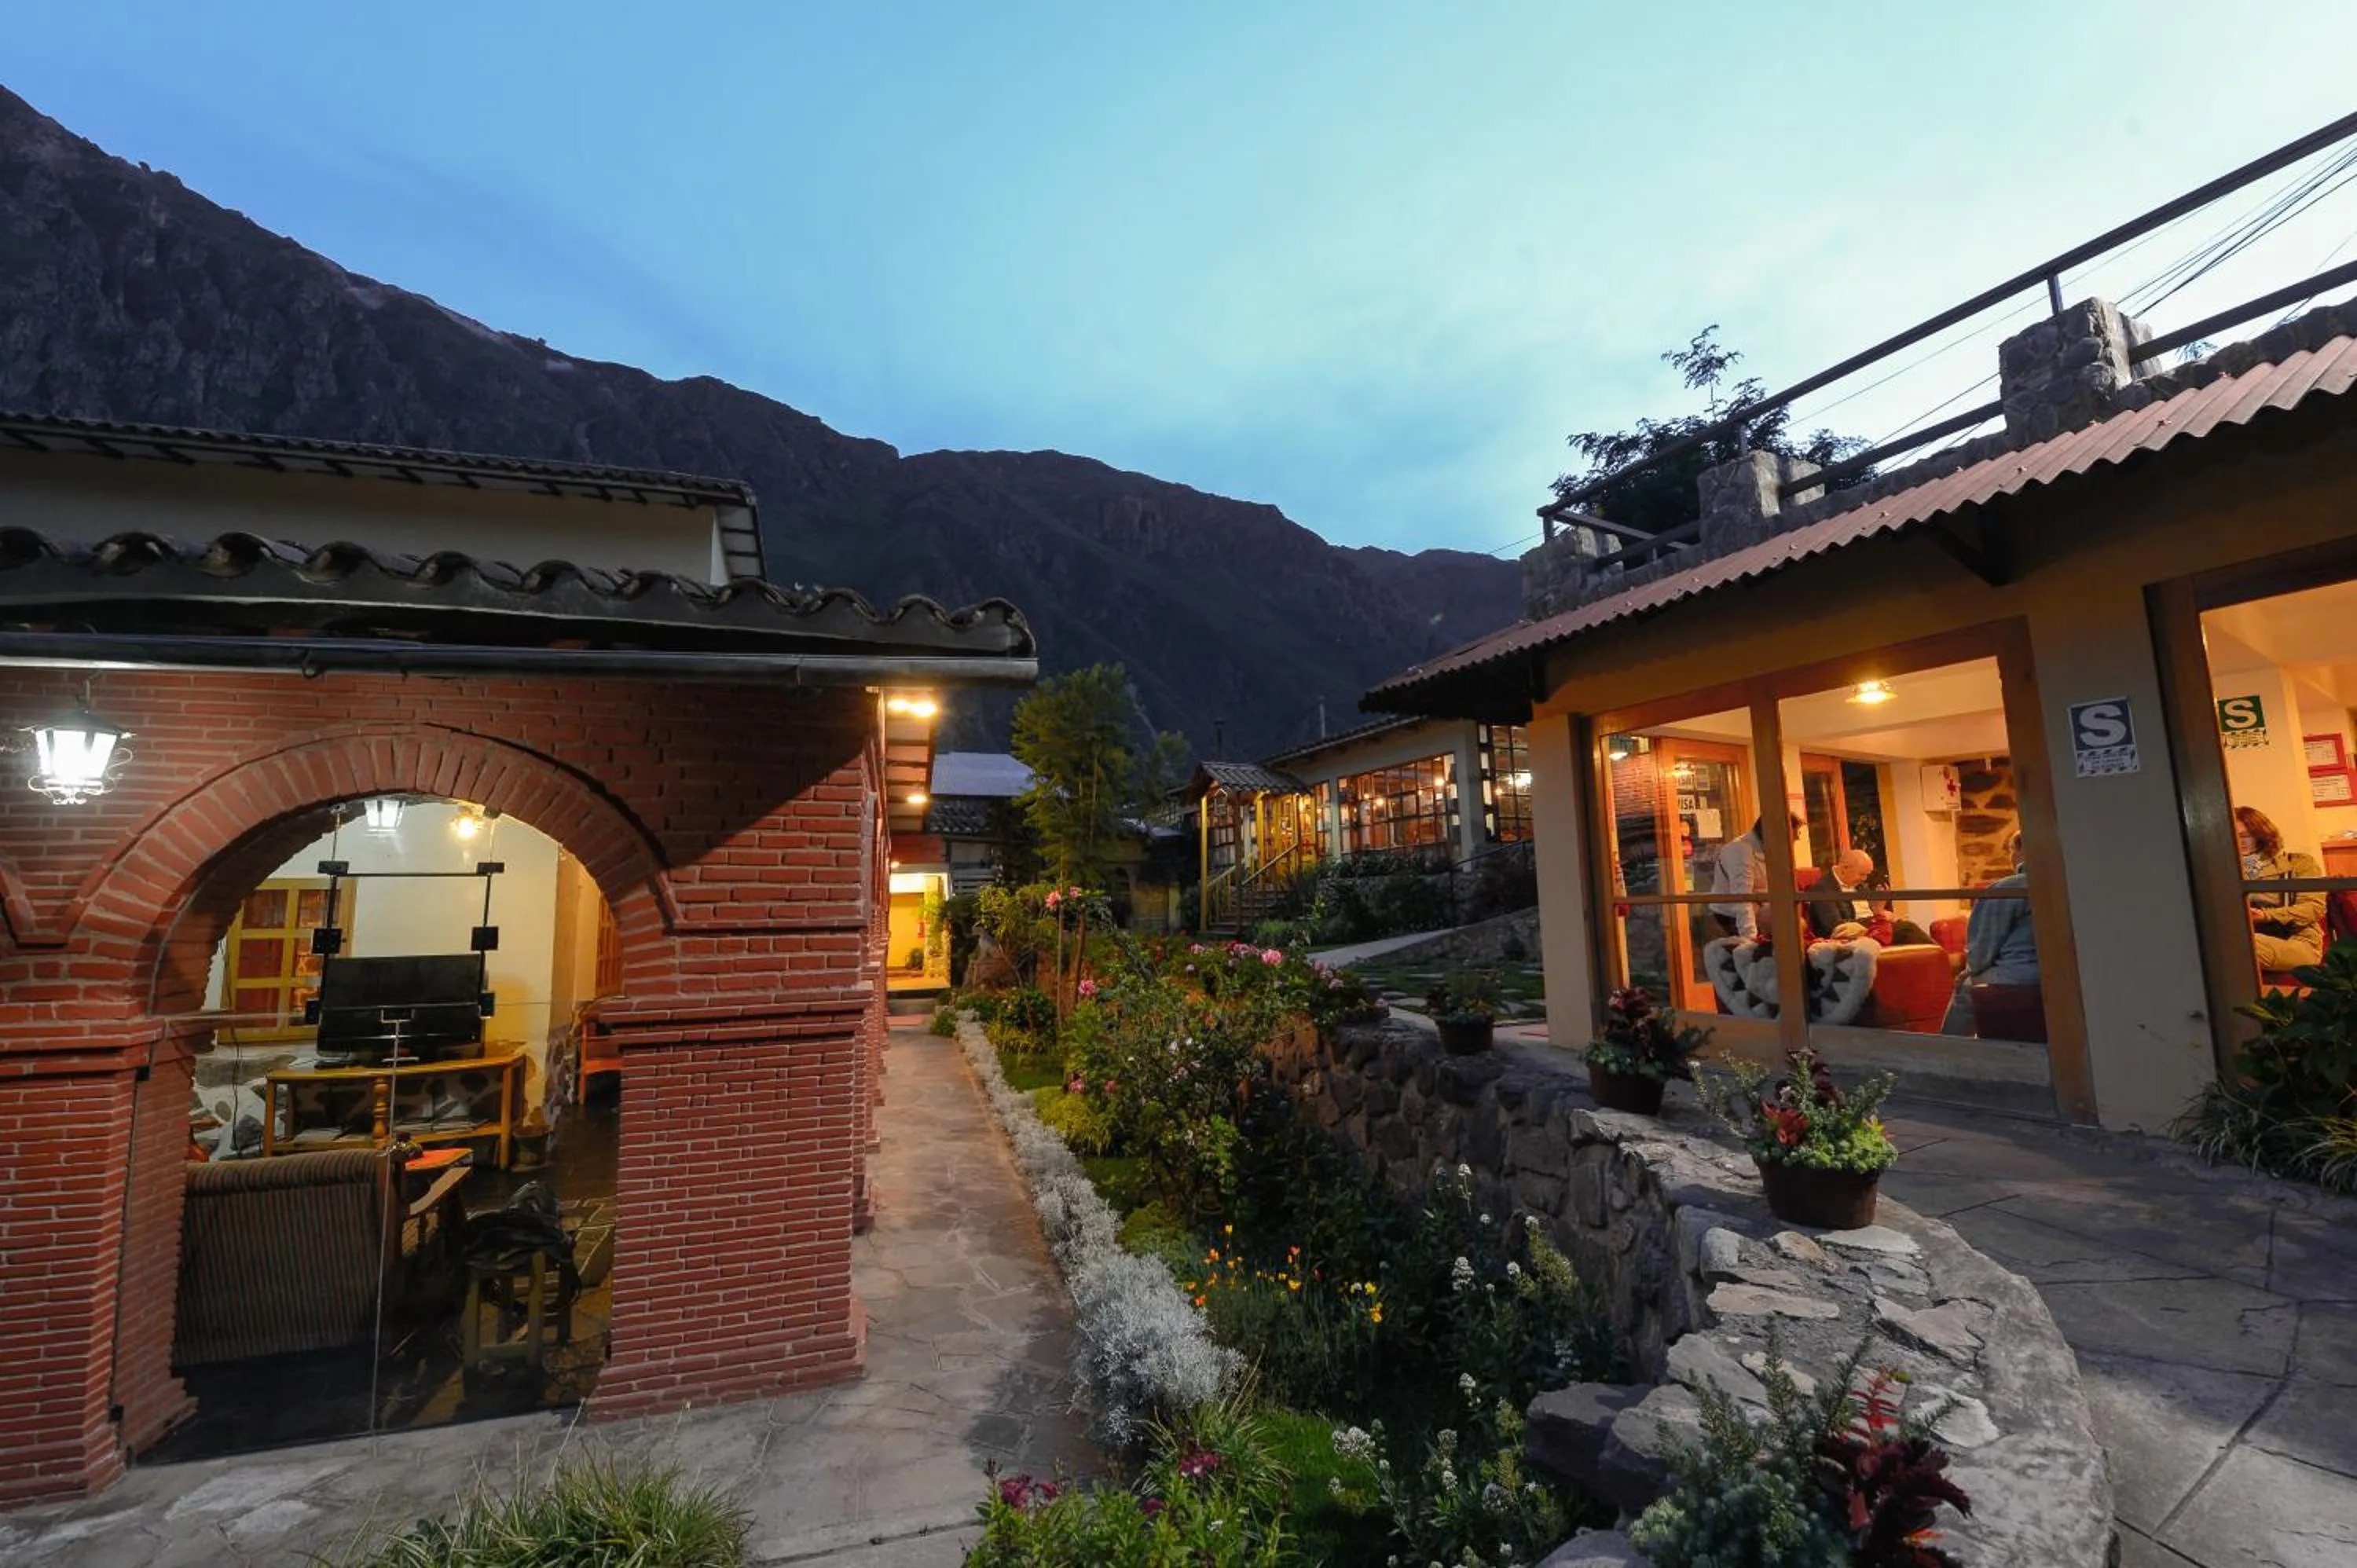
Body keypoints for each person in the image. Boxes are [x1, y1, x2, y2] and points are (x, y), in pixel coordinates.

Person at [1941, 830, 2038, 1035]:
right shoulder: (2068, 885)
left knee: (1965, 989)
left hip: (2018, 976)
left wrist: (1967, 972)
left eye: (2010, 850)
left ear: (2020, 851)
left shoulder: (2008, 888)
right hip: (2065, 974)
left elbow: (1981, 949)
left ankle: (1948, 1049)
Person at [2237, 805, 2326, 973]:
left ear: (2261, 835)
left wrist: (2266, 916)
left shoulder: (2298, 863)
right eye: (2233, 836)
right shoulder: (2222, 870)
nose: (2239, 841)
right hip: (2245, 934)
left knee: (2239, 944)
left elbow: (2314, 908)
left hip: (2296, 940)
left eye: (2245, 836)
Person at [1707, 811, 1804, 940]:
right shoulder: (1740, 851)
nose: (1795, 840)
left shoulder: (1773, 850)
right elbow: (1742, 900)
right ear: (1774, 834)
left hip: (1761, 913)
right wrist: (1751, 939)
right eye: (1792, 837)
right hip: (1730, 919)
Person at [1806, 848, 1895, 945]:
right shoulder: (1823, 889)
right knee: (1903, 931)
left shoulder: (1859, 885)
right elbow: (1837, 927)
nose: (1864, 879)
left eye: (1867, 875)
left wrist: (1879, 911)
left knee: (1904, 927)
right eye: (1862, 874)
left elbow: (1870, 911)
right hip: (1854, 937)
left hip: (1873, 929)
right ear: (1845, 868)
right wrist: (1877, 919)